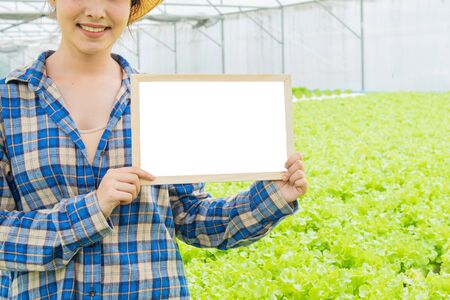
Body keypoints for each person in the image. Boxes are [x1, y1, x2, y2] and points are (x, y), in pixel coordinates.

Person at [0, 0, 308, 298]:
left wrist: (272, 197)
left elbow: (191, 216)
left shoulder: (159, 101)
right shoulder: (8, 102)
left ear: (132, 7)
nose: (95, 10)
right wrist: (93, 208)